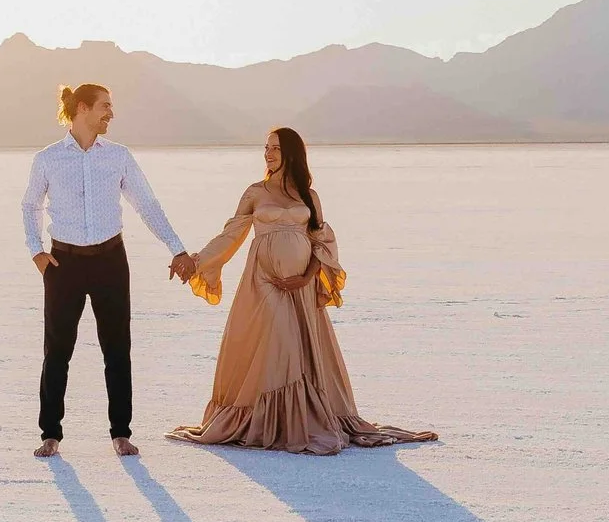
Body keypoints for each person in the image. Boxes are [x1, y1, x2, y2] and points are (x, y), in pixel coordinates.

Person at [168, 126, 436, 455]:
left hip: (301, 286)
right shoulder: (255, 192)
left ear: (292, 154)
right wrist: (196, 262)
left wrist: (307, 277)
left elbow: (321, 241)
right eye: (266, 148)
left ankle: (300, 419)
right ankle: (272, 422)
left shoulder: (309, 196)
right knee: (279, 344)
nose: (268, 154)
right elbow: (230, 235)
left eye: (275, 148)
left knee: (297, 348)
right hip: (263, 280)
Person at [21, 82, 195, 458]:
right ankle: (50, 433)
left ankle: (121, 433)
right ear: (82, 108)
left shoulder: (118, 156)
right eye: (105, 106)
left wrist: (177, 248)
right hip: (63, 264)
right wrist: (36, 251)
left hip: (110, 261)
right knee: (57, 351)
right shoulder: (48, 158)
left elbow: (146, 204)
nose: (111, 114)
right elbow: (30, 205)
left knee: (117, 349)